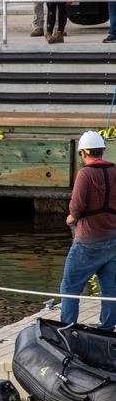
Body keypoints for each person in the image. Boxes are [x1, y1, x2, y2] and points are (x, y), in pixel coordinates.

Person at [60, 130, 116, 331]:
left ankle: (67, 328)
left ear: (83, 153)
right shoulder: (115, 170)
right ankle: (108, 327)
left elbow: (77, 205)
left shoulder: (85, 173)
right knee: (110, 288)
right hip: (112, 239)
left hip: (88, 241)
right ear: (102, 151)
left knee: (70, 288)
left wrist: (71, 218)